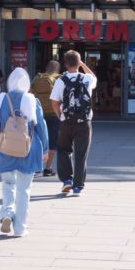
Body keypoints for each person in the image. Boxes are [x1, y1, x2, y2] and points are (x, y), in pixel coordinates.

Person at [0, 68, 49, 237]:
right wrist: (45, 148)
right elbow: (41, 127)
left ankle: (7, 213)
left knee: (8, 184)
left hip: (5, 148)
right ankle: (20, 228)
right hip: (27, 149)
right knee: (24, 189)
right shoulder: (31, 100)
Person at [50, 50, 97, 196]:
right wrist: (83, 64)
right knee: (81, 154)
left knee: (64, 150)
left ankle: (67, 181)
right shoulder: (87, 79)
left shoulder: (60, 80)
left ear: (65, 64)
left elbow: (55, 102)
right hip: (84, 122)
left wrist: (60, 115)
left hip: (66, 122)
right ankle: (78, 187)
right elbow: (94, 77)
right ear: (78, 63)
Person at [31, 61, 61, 177]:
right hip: (54, 113)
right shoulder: (59, 79)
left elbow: (30, 92)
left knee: (37, 140)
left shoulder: (37, 78)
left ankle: (36, 168)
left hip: (39, 113)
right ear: (57, 69)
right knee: (52, 141)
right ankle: (47, 168)